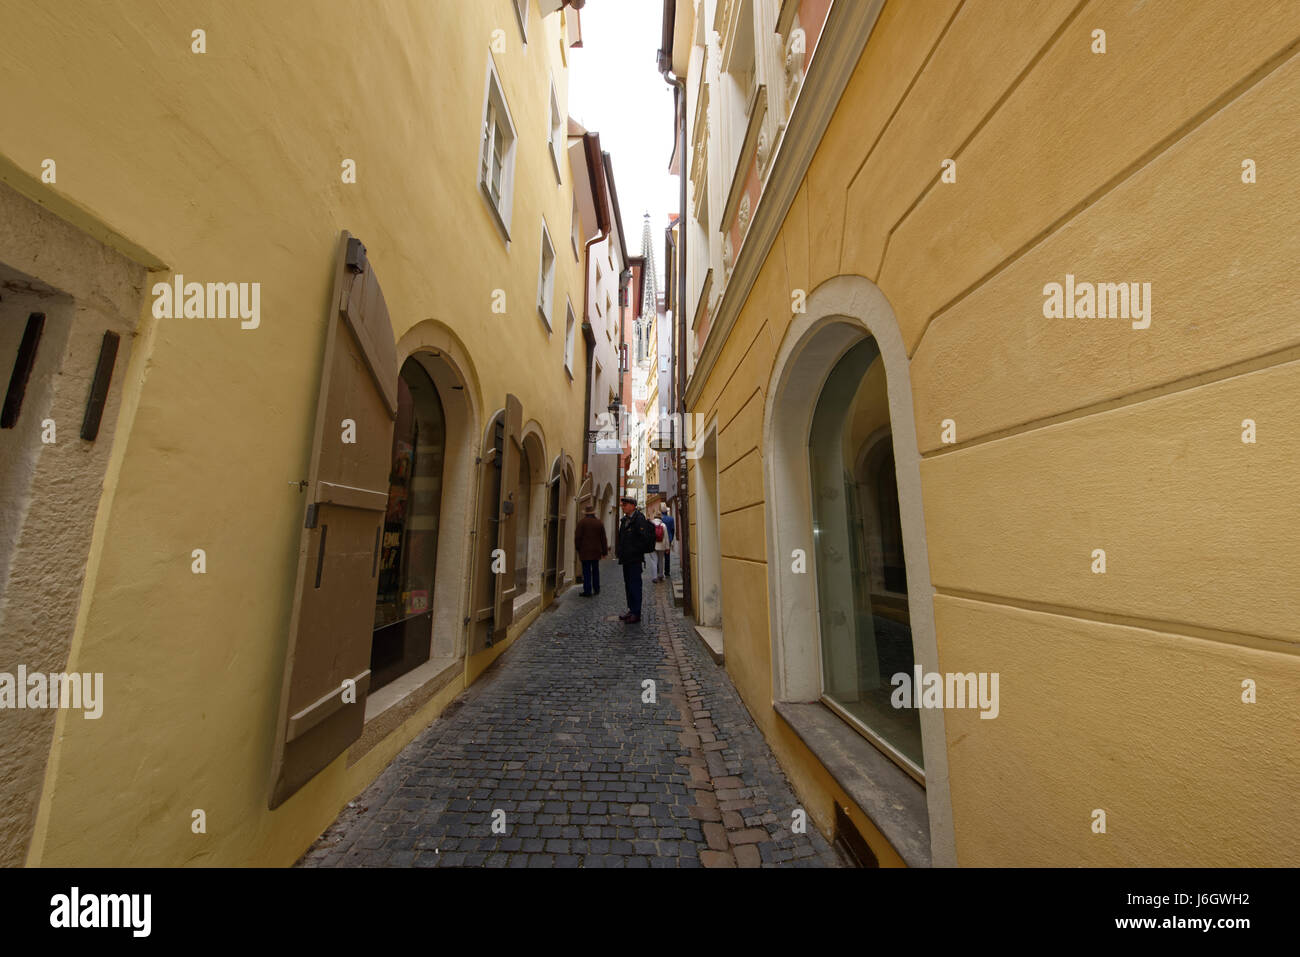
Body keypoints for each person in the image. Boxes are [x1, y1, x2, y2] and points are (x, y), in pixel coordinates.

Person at [616, 495, 655, 623]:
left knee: (635, 586)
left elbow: (643, 539)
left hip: (634, 559)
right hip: (626, 559)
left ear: (632, 506)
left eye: (625, 504)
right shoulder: (625, 520)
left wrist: (633, 550)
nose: (623, 507)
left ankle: (636, 613)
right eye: (622, 505)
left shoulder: (639, 519)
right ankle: (631, 609)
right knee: (628, 586)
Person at [573, 503, 608, 597]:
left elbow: (577, 537)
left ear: (585, 513)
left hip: (585, 552)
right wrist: (604, 551)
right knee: (595, 570)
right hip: (596, 551)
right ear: (593, 513)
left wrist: (578, 548)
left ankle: (587, 590)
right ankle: (596, 589)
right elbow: (603, 538)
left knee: (586, 571)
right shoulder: (599, 523)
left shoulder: (581, 523)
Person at [651, 513, 668, 582]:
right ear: (660, 518)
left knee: (654, 561)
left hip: (652, 545)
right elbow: (666, 537)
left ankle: (654, 577)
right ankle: (661, 575)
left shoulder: (651, 524)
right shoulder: (663, 525)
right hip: (661, 545)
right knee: (661, 560)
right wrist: (667, 547)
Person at [661, 508, 675, 578]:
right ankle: (667, 572)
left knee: (660, 556)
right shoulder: (671, 519)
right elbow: (673, 530)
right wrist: (671, 538)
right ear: (666, 512)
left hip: (660, 539)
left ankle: (659, 571)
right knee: (667, 556)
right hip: (668, 539)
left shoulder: (660, 519)